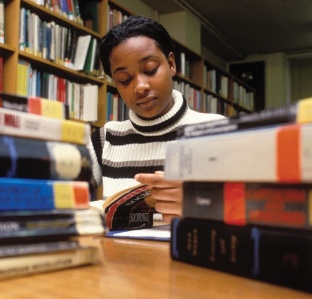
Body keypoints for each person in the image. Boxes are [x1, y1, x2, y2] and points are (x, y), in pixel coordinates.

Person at [87, 15, 225, 222]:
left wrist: (202, 204)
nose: (140, 86)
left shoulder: (217, 130)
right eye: (125, 80)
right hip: (117, 253)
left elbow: (251, 207)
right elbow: (57, 197)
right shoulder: (106, 138)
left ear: (171, 64)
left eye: (150, 70)